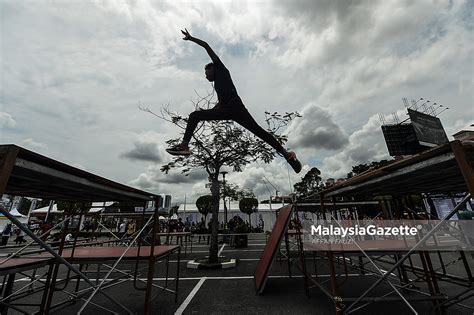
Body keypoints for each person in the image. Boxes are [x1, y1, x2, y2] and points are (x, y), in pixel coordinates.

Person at [165, 29, 302, 174]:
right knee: (195, 116)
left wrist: (191, 38)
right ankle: (184, 146)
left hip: (236, 107)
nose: (206, 77)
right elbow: (220, 104)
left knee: (258, 131)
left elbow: (206, 45)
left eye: (207, 73)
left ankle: (288, 156)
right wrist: (206, 112)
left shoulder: (221, 69)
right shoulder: (218, 85)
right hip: (227, 109)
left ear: (213, 69)